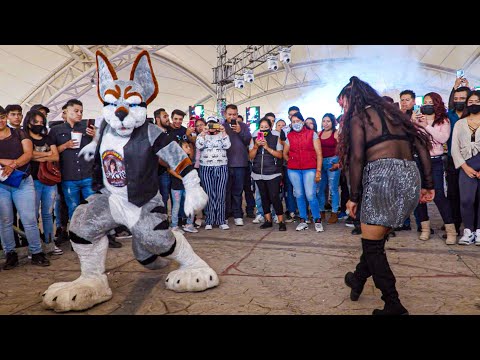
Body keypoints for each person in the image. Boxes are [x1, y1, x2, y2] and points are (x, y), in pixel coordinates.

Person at [339, 76, 434, 315]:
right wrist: (428, 184)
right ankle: (357, 279)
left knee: (372, 247)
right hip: (409, 176)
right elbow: (422, 146)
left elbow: (358, 159)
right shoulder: (396, 115)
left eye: (343, 105)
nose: (343, 110)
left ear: (353, 100)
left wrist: (353, 196)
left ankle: (393, 304)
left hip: (383, 179)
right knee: (376, 238)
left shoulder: (360, 117)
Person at [0, 106, 51, 269]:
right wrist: (4, 162)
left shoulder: (19, 133)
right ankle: (10, 254)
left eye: (2, 117)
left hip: (22, 181)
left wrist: (13, 164)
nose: (0, 120)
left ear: (5, 117)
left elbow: (28, 154)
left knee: (29, 219)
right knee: (5, 220)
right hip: (1, 184)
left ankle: (36, 252)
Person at [412, 92, 456, 244]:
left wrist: (427, 126)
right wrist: (414, 123)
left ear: (437, 103)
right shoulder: (417, 119)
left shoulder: (443, 120)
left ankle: (451, 231)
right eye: (425, 102)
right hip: (418, 160)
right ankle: (425, 228)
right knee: (419, 195)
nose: (427, 104)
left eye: (431, 102)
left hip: (435, 161)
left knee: (438, 195)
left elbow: (442, 138)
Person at [23, 110, 63, 255]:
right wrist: (47, 155)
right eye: (36, 122)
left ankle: (49, 243)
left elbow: (56, 157)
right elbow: (28, 157)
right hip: (32, 181)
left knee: (48, 213)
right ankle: (34, 245)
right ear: (28, 123)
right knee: (32, 215)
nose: (39, 125)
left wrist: (36, 156)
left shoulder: (48, 137)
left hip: (49, 180)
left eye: (41, 122)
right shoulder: (25, 138)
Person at [283, 112, 324, 232]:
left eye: (298, 121)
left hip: (310, 168)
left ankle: (317, 219)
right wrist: (291, 161)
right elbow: (285, 153)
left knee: (310, 194)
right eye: (293, 122)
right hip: (294, 170)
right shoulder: (289, 136)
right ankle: (303, 220)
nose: (296, 124)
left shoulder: (312, 134)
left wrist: (318, 171)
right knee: (299, 194)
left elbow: (319, 154)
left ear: (302, 121)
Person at [451, 90, 480, 245]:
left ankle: (479, 231)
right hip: (466, 165)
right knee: (466, 200)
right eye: (470, 102)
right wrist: (464, 167)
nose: (473, 104)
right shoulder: (460, 123)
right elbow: (454, 148)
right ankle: (468, 231)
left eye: (477, 101)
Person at [249, 117, 286, 231]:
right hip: (258, 173)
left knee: (275, 197)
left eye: (266, 127)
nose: (264, 129)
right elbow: (250, 156)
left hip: (273, 173)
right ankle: (268, 220)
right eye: (261, 127)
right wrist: (256, 146)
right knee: (263, 197)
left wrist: (267, 147)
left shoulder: (276, 136)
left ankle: (281, 221)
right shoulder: (254, 136)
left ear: (270, 127)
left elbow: (280, 155)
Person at [196, 116, 231, 230]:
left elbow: (227, 145)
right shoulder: (202, 136)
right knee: (209, 194)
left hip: (221, 167)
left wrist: (224, 132)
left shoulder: (223, 135)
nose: (212, 127)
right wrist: (203, 133)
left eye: (214, 124)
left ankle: (221, 220)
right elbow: (199, 146)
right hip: (206, 167)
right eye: (209, 124)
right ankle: (209, 220)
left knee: (221, 194)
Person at [317, 113, 340, 224]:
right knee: (321, 189)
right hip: (321, 162)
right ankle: (321, 212)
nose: (325, 123)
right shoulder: (319, 133)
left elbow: (343, 149)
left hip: (333, 162)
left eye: (328, 121)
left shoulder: (336, 133)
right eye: (324, 121)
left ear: (333, 122)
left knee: (333, 189)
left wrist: (339, 163)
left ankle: (334, 212)